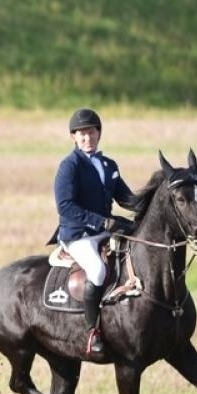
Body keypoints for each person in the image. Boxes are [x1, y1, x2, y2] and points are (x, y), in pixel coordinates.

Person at [53, 107, 138, 356]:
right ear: (73, 137)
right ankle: (93, 331)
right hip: (78, 235)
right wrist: (102, 223)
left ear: (99, 133)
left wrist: (155, 202)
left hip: (104, 230)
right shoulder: (69, 166)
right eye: (81, 134)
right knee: (99, 270)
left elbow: (126, 199)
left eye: (91, 132)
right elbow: (65, 206)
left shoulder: (109, 164)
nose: (87, 138)